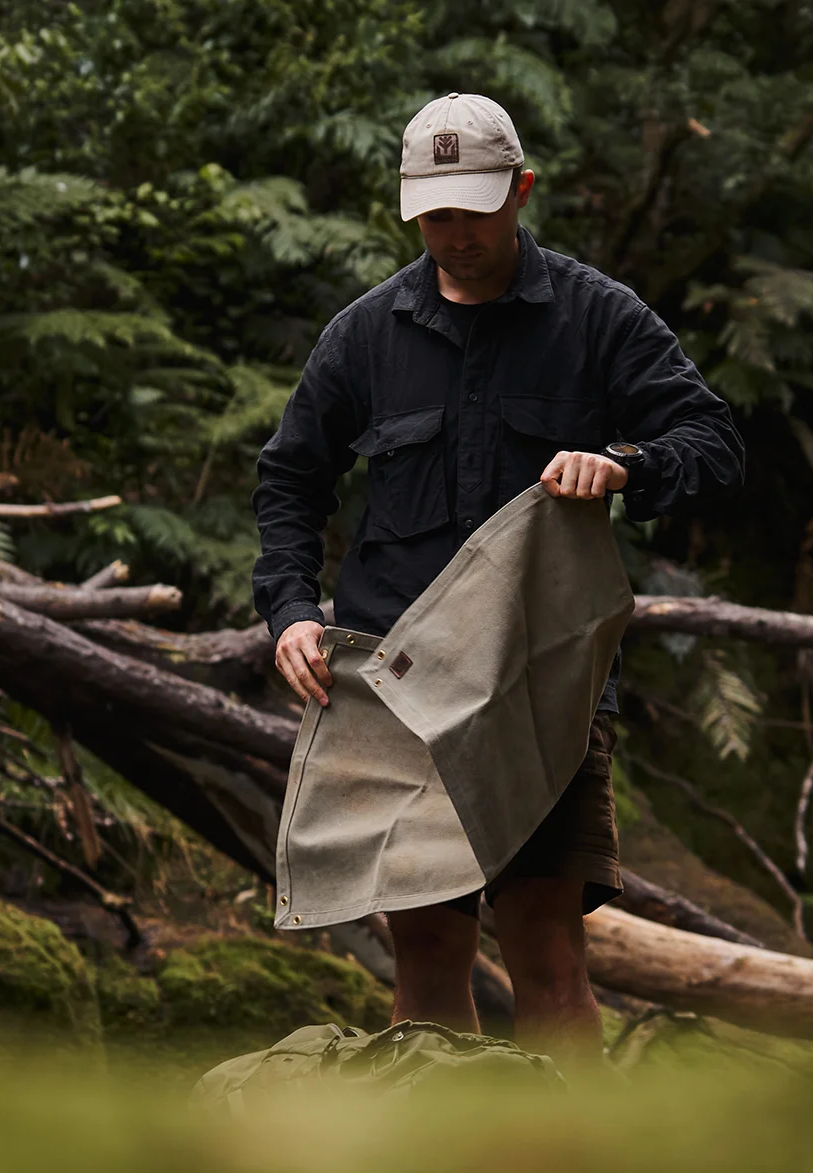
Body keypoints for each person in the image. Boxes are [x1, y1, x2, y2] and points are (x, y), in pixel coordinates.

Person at [251, 92, 744, 1061]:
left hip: (541, 689)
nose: (456, 233)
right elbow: (290, 479)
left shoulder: (596, 317)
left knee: (546, 945)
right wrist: (290, 612)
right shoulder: (364, 335)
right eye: (435, 214)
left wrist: (627, 465)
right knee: (427, 942)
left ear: (520, 191)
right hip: (393, 687)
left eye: (475, 210)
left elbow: (714, 441)